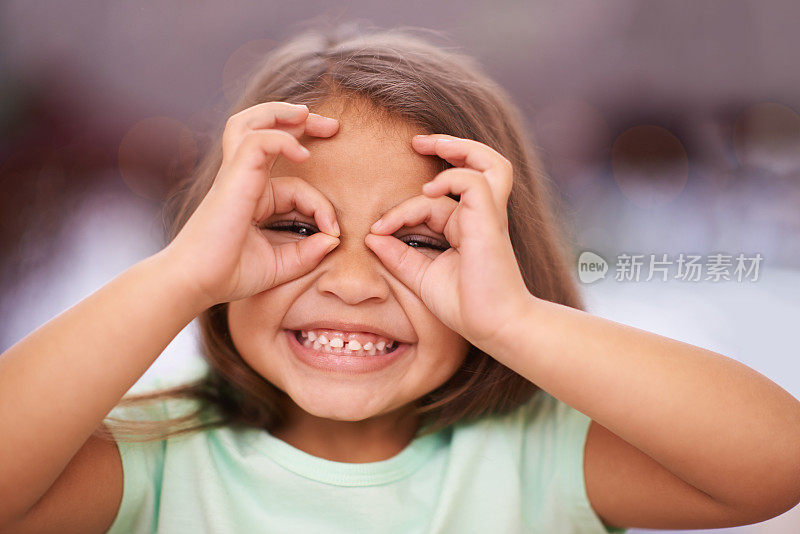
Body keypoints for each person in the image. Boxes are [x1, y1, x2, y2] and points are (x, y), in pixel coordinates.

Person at [2, 22, 799, 534]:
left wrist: (513, 321)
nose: (353, 284)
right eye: (291, 225)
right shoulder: (158, 457)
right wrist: (178, 276)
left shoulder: (541, 460)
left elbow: (776, 461)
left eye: (419, 238)